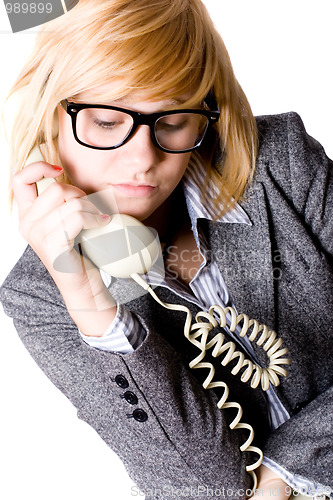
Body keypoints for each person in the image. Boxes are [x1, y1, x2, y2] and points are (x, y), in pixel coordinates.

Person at [1, 0, 332, 499]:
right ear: (49, 118)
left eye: (173, 121)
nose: (142, 160)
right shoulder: (40, 297)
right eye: (108, 122)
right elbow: (207, 487)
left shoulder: (282, 164)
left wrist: (286, 471)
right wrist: (91, 303)